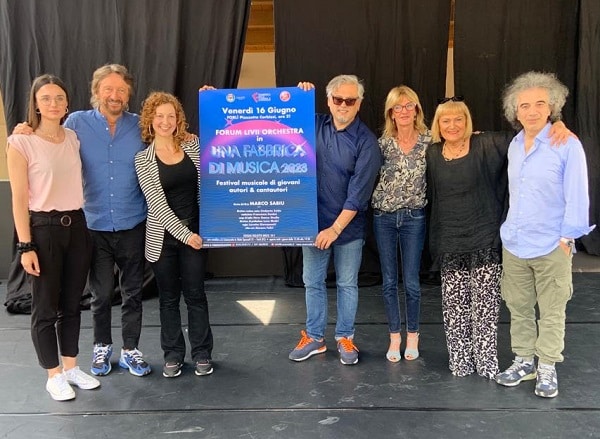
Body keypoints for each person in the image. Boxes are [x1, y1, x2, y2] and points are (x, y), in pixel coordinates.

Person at [13, 64, 151, 377]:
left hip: (132, 221)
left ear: (128, 94)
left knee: (132, 293)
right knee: (101, 295)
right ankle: (101, 348)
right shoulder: (76, 123)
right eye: (108, 89)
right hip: (92, 225)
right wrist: (25, 129)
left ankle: (131, 349)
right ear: (96, 91)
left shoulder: (140, 125)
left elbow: (172, 136)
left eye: (121, 90)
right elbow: (46, 135)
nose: (114, 95)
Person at [426, 97, 571, 379]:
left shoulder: (487, 143)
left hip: (485, 240)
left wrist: (556, 124)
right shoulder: (432, 153)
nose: (453, 125)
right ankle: (461, 362)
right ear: (438, 125)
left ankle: (486, 363)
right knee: (454, 311)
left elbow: (528, 131)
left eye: (458, 119)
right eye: (446, 120)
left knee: (485, 310)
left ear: (467, 122)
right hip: (450, 242)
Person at [496, 72, 594, 398]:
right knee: (519, 307)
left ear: (552, 107)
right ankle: (524, 361)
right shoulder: (514, 145)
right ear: (515, 111)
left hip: (552, 244)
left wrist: (567, 239)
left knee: (552, 310)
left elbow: (578, 195)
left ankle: (548, 365)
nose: (532, 111)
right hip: (515, 243)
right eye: (524, 105)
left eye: (540, 103)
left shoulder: (567, 144)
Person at [7, 74, 100, 401]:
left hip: (77, 226)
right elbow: (19, 198)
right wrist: (26, 245)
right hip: (43, 228)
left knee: (72, 303)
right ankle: (53, 374)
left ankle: (71, 367)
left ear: (67, 103)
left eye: (59, 97)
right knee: (45, 306)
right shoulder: (20, 142)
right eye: (45, 98)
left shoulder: (72, 137)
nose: (53, 103)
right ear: (35, 104)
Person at [288, 75, 382, 365]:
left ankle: (345, 337)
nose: (343, 105)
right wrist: (299, 97)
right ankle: (315, 338)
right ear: (328, 100)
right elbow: (278, 122)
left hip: (347, 228)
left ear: (359, 104)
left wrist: (335, 229)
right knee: (312, 282)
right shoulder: (312, 124)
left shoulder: (367, 142)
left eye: (350, 100)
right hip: (312, 225)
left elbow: (358, 195)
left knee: (347, 284)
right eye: (338, 99)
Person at [134, 91, 214, 378]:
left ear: (178, 119)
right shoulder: (142, 160)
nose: (165, 121)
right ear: (150, 120)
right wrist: (186, 235)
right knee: (168, 299)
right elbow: (157, 205)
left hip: (195, 235)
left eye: (171, 116)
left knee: (196, 295)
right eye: (159, 116)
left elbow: (211, 178)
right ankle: (173, 354)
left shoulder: (193, 146)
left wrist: (212, 99)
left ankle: (202, 352)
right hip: (164, 241)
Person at [371, 85, 431, 362]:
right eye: (398, 107)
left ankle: (413, 335)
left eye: (409, 106)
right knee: (388, 281)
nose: (404, 111)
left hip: (413, 218)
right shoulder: (382, 144)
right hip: (383, 217)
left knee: (412, 282)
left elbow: (459, 144)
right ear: (391, 113)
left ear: (416, 110)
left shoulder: (430, 141)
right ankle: (394, 336)